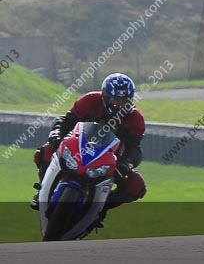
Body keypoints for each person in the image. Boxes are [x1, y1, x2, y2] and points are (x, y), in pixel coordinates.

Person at [31, 73, 147, 226]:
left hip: (109, 160)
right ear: (105, 96)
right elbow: (66, 120)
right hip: (78, 149)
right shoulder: (90, 100)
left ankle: (100, 209)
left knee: (136, 185)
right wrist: (56, 134)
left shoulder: (136, 119)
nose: (119, 104)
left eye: (124, 100)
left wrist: (126, 163)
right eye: (114, 99)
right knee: (45, 151)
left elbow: (134, 148)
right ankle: (42, 191)